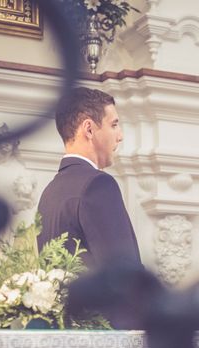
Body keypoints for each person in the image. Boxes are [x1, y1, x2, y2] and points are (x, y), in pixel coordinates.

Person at [36, 87, 140, 269]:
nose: (120, 136)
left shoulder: (49, 193)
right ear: (89, 129)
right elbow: (125, 273)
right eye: (114, 125)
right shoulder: (98, 185)